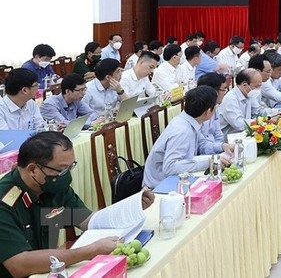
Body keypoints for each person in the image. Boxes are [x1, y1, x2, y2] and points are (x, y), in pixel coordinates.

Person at [0, 132, 154, 277]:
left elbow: (87, 221)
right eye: (61, 169)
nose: (66, 175)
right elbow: (18, 265)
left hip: (46, 271)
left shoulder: (52, 184)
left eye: (70, 167)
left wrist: (131, 207)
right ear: (33, 170)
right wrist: (88, 251)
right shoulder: (4, 202)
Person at [143, 86, 228, 188]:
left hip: (180, 177)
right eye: (215, 106)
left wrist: (223, 147)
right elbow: (170, 167)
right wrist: (208, 161)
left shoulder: (190, 121)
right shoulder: (182, 130)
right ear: (208, 111)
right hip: (160, 185)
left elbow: (202, 144)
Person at [195, 73, 234, 155]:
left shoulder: (215, 107)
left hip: (215, 149)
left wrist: (221, 147)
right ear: (214, 91)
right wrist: (220, 147)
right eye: (224, 90)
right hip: (203, 155)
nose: (225, 93)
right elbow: (200, 146)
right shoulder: (197, 112)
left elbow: (218, 133)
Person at [218, 69, 262, 139]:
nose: (258, 89)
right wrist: (260, 121)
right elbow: (240, 125)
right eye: (256, 86)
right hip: (228, 140)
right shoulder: (231, 99)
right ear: (245, 85)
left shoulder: (248, 94)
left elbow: (258, 112)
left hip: (244, 135)